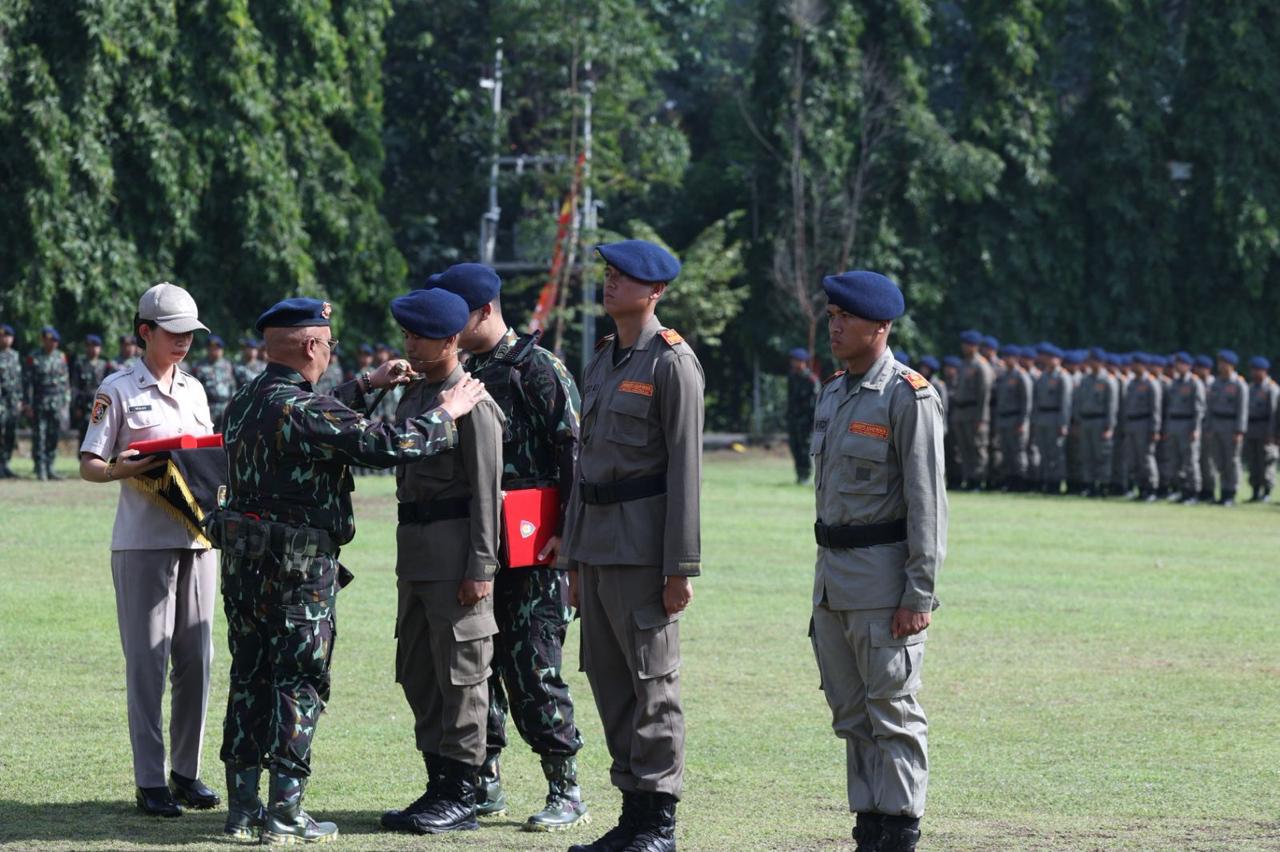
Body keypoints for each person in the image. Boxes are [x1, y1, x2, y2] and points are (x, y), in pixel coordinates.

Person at [213, 297, 486, 843]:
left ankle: (243, 810)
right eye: (329, 345)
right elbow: (383, 443)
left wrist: (367, 383)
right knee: (299, 683)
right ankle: (286, 815)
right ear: (313, 345)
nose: (331, 353)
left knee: (249, 681)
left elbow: (310, 417)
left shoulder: (247, 399)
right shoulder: (304, 410)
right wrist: (447, 412)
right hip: (297, 572)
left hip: (244, 568)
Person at [431, 263, 590, 830]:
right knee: (478, 665)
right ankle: (485, 780)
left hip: (534, 546)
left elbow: (573, 451)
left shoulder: (537, 367)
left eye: (457, 315)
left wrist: (567, 534)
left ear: (484, 311)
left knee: (532, 666)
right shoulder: (463, 372)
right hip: (478, 545)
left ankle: (565, 787)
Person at [561, 239, 704, 852]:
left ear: (656, 291)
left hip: (643, 549)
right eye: (608, 273)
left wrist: (680, 567)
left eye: (625, 276)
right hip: (595, 546)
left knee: (653, 684)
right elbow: (584, 466)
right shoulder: (602, 359)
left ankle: (658, 822)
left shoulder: (672, 363)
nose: (610, 282)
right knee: (610, 681)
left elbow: (685, 472)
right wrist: (571, 557)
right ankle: (632, 813)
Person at [808, 270, 946, 852]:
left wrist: (919, 594)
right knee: (851, 715)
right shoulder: (833, 392)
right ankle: (870, 828)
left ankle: (901, 830)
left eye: (847, 317)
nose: (835, 326)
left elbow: (927, 503)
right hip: (833, 581)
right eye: (832, 315)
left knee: (893, 712)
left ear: (881, 326)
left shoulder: (908, 396)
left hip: (883, 584)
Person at [78, 283, 221, 817]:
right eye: (175, 332)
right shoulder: (116, 388)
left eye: (191, 333)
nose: (185, 341)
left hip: (198, 541)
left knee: (198, 660)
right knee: (147, 663)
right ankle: (149, 780)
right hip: (143, 543)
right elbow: (90, 463)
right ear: (146, 331)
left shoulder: (196, 389)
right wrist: (123, 468)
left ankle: (186, 773)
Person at [378, 287, 507, 835]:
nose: (411, 344)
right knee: (419, 673)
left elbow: (487, 492)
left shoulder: (472, 402)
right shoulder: (414, 396)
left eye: (421, 336)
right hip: (416, 558)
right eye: (407, 334)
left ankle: (461, 791)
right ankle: (437, 784)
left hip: (457, 559)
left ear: (452, 340)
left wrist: (481, 567)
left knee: (462, 677)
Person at [22, 326, 71, 480]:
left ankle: (50, 466)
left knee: (53, 435)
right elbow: (28, 383)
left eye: (55, 341)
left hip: (56, 402)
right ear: (44, 340)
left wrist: (66, 402)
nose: (53, 344)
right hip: (39, 402)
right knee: (39, 436)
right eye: (50, 341)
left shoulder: (61, 357)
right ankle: (40, 468)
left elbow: (65, 382)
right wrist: (27, 404)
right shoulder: (34, 357)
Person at [1204, 350, 1248, 506]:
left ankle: (1231, 492)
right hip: (1216, 425)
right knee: (1219, 461)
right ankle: (1223, 492)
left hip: (1231, 427)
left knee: (1232, 461)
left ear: (1232, 365)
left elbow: (1242, 410)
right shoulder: (1215, 383)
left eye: (1224, 363)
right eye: (1220, 363)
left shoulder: (1239, 384)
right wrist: (1208, 427)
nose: (1221, 366)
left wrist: (1239, 431)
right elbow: (1209, 408)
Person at [951, 330, 993, 490]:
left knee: (977, 448)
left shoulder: (981, 365)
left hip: (975, 412)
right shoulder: (963, 364)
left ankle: (978, 480)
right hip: (961, 412)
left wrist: (981, 418)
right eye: (964, 344)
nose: (964, 347)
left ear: (975, 346)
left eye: (968, 345)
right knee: (964, 448)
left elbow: (984, 394)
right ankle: (968, 479)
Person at [1075, 348, 1119, 497]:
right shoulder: (1085, 380)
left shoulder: (1108, 380)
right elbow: (1078, 402)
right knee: (1086, 455)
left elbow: (1111, 406)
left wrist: (1109, 427)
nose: (1089, 363)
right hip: (1086, 420)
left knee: (1102, 456)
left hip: (1100, 421)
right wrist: (1078, 422)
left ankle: (1103, 485)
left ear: (1100, 362)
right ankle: (1089, 484)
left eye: (1092, 360)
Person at [1164, 353, 1206, 503]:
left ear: (1188, 366)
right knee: (1175, 460)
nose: (1177, 366)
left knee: (1190, 460)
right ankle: (1181, 490)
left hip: (1188, 424)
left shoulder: (1195, 383)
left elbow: (1199, 409)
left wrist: (1196, 428)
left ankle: (1193, 492)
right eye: (1176, 363)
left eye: (1180, 363)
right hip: (1174, 424)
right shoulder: (1173, 383)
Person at [1030, 343, 1072, 494]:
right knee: (1044, 452)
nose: (1048, 360)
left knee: (1056, 453)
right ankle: (1045, 481)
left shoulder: (1062, 377)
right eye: (1047, 357)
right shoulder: (1043, 376)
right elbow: (1036, 401)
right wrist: (1034, 420)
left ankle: (1056, 483)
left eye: (1051, 358)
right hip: (1042, 418)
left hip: (1055, 419)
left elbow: (1065, 403)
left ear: (1058, 359)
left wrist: (1063, 424)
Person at [993, 345, 1033, 492]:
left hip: (1016, 419)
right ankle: (1009, 480)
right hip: (1004, 418)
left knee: (1018, 451)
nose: (1005, 360)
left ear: (1015, 359)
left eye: (1008, 357)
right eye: (1004, 357)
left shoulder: (1021, 376)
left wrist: (1022, 421)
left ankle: (1021, 480)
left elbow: (1026, 401)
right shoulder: (1003, 376)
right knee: (1006, 451)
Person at [1244, 356, 1278, 502]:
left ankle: (1267, 492)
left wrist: (1271, 434)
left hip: (1266, 429)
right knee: (1253, 462)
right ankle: (1255, 490)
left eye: (1256, 370)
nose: (1253, 372)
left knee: (1267, 461)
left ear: (1264, 371)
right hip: (1252, 429)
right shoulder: (1250, 387)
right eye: (1252, 370)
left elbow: (1273, 414)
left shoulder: (1271, 388)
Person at [786, 347, 821, 484]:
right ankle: (799, 474)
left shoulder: (811, 380)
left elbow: (816, 403)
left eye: (796, 360)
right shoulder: (792, 378)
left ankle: (806, 475)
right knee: (794, 446)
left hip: (807, 421)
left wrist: (813, 421)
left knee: (805, 448)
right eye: (792, 360)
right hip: (794, 419)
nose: (793, 363)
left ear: (803, 362)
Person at [71, 333, 110, 445]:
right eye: (89, 346)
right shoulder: (80, 364)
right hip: (83, 406)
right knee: (84, 435)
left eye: (95, 346)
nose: (92, 349)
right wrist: (76, 407)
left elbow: (109, 387)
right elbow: (75, 386)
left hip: (100, 404)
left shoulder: (105, 365)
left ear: (100, 348)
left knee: (99, 434)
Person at [192, 335, 237, 428]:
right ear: (207, 349)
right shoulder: (199, 366)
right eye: (211, 348)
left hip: (225, 407)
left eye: (217, 348)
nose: (214, 351)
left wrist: (233, 405)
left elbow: (232, 386)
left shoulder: (228, 365)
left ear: (222, 350)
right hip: (208, 408)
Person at [0, 323, 22, 478]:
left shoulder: (15, 356)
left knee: (10, 433)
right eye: (2, 336)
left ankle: (5, 463)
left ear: (12, 339)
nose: (5, 339)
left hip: (12, 402)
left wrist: (20, 400)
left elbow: (19, 380)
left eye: (7, 336)